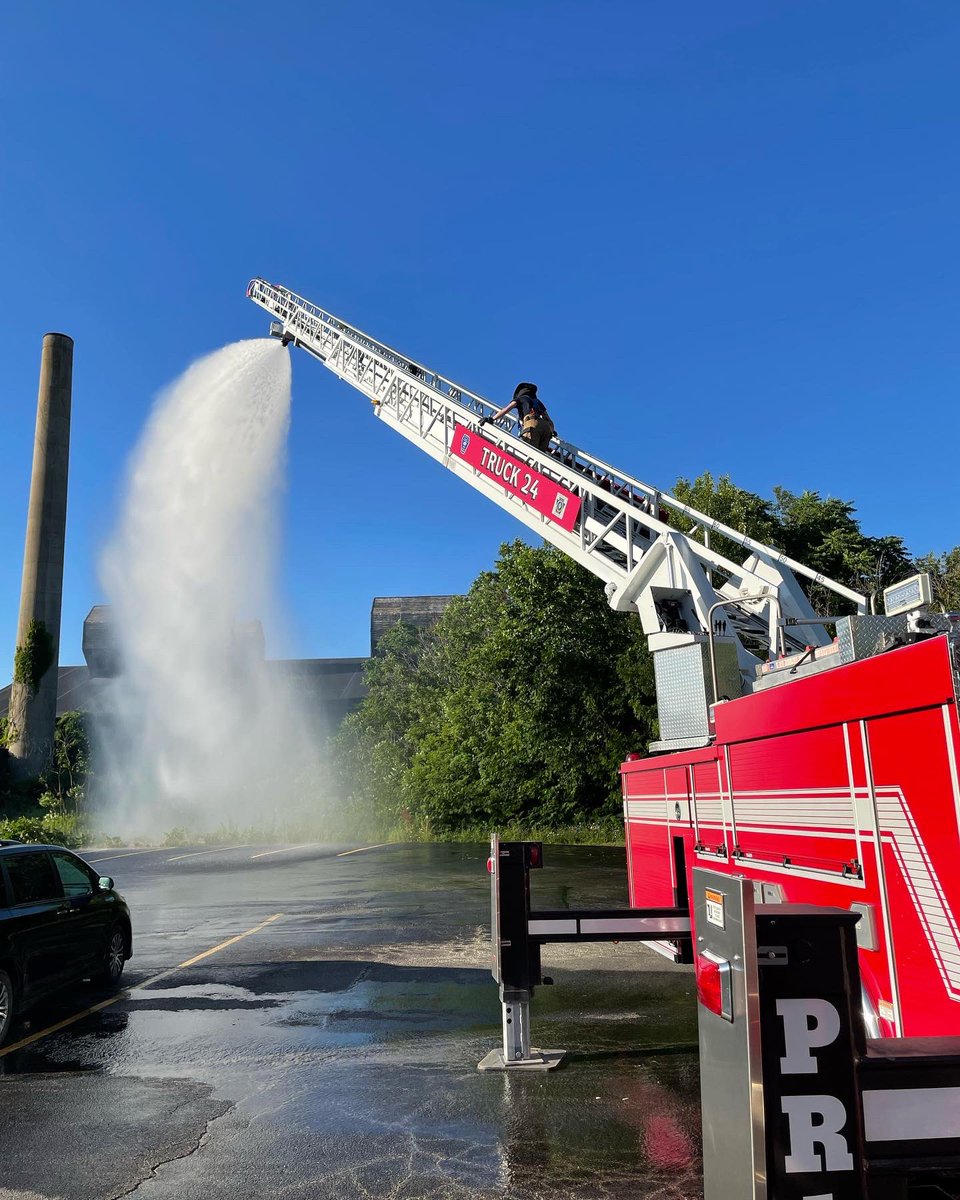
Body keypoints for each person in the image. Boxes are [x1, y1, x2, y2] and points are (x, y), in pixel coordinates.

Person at [480, 382, 555, 451]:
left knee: (530, 452)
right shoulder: (538, 402)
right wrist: (551, 431)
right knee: (540, 456)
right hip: (546, 427)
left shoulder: (521, 399)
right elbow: (549, 420)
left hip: (532, 423)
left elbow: (506, 409)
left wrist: (491, 419)